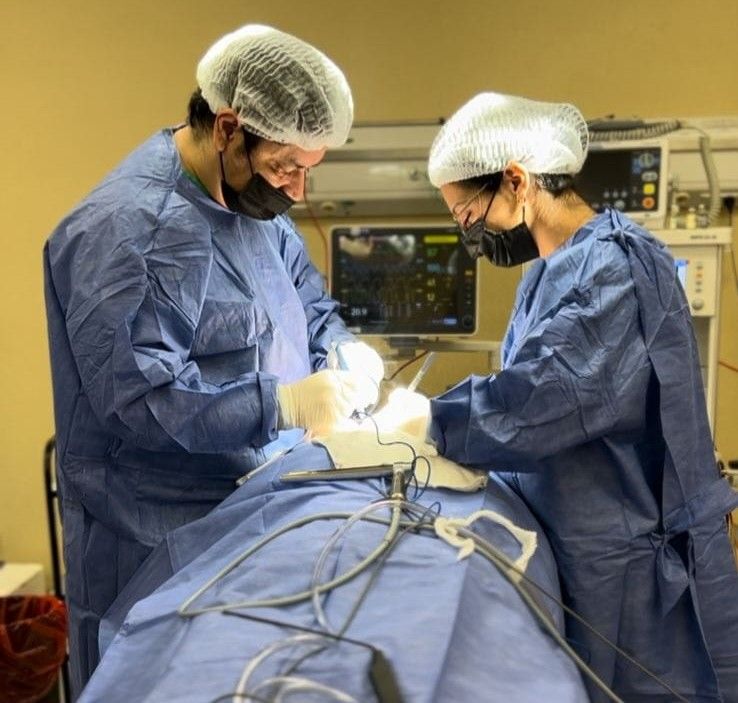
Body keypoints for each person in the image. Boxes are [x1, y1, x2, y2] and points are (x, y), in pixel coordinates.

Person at [43, 24, 383, 697]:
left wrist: (343, 348)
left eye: (307, 170)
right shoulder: (127, 232)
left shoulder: (254, 205)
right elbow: (140, 399)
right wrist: (283, 403)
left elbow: (308, 304)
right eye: (286, 167)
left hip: (252, 516)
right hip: (153, 545)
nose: (297, 190)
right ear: (228, 128)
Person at [384, 92, 738, 701]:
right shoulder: (553, 268)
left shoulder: (611, 269)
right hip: (585, 534)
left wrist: (429, 419)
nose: (470, 233)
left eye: (468, 214)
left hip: (624, 559)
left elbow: (547, 399)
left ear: (516, 180)